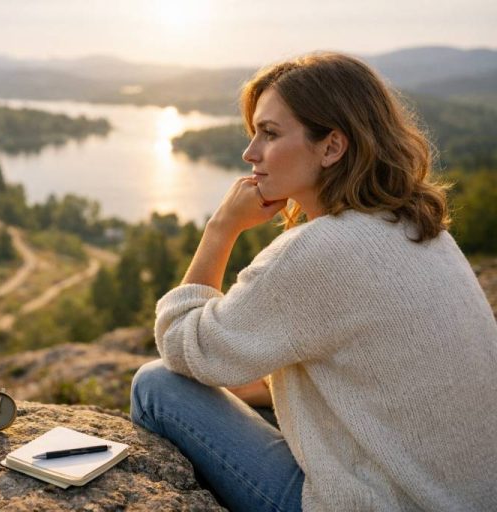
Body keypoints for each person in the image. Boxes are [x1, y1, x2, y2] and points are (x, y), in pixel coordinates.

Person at [129, 52, 497, 512]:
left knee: (158, 386)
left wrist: (219, 230)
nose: (250, 154)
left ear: (331, 147)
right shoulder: (421, 229)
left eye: (270, 133)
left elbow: (182, 344)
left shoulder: (321, 250)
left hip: (381, 503)